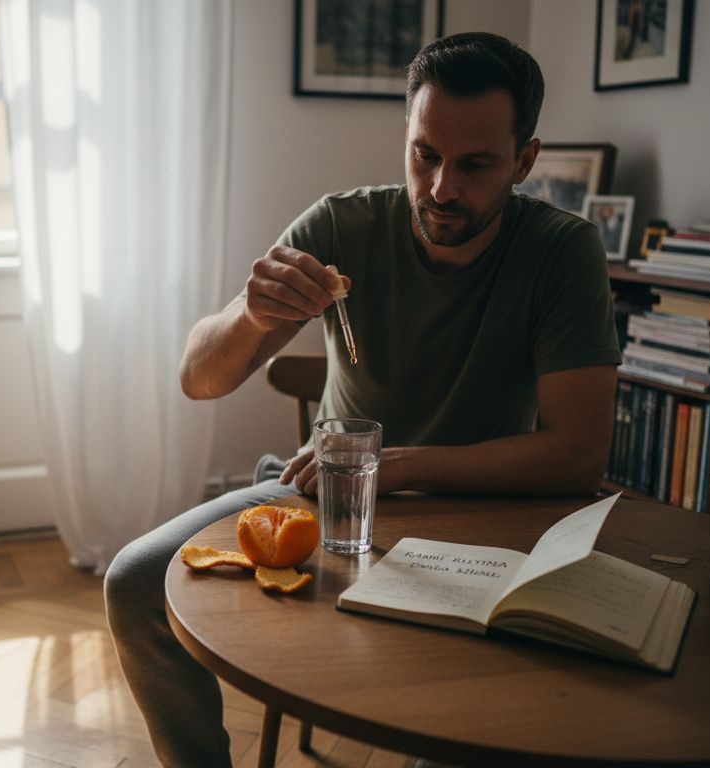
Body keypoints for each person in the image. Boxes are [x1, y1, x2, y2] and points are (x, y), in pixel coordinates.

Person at [105, 32, 620, 767]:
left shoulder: (561, 251)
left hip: (483, 525)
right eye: (424, 155)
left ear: (524, 160)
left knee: (453, 727)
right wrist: (252, 315)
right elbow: (199, 379)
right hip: (326, 503)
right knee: (132, 581)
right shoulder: (342, 226)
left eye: (474, 165)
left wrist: (400, 465)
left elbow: (576, 454)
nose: (441, 188)